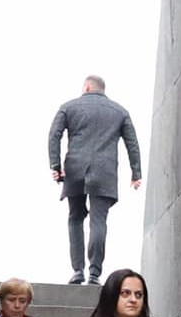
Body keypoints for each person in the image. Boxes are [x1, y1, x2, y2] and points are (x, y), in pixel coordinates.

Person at [47, 76, 142, 285]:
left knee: (75, 217)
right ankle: (94, 273)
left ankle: (77, 270)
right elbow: (132, 143)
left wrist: (55, 166)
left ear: (87, 87)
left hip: (74, 168)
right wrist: (136, 173)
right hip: (105, 172)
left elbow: (54, 135)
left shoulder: (69, 107)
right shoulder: (120, 111)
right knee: (99, 221)